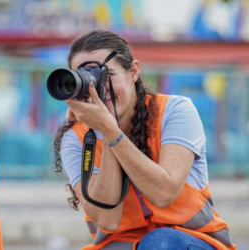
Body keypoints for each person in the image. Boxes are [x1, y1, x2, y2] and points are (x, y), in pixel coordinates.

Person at [52, 30, 236, 250]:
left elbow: (163, 194)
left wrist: (111, 131)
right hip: (123, 246)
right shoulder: (75, 138)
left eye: (105, 75)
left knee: (159, 243)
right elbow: (108, 220)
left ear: (133, 72)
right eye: (86, 78)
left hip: (188, 241)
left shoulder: (174, 111)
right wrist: (107, 127)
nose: (98, 88)